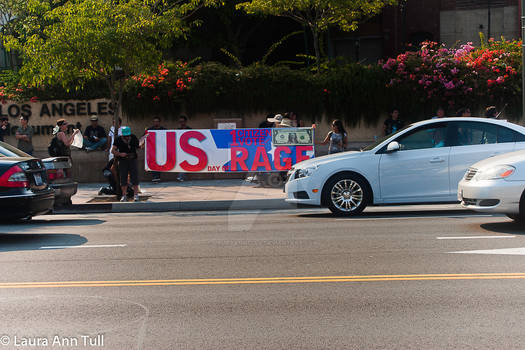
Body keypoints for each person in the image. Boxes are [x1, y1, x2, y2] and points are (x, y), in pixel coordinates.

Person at [112, 126, 141, 202]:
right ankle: (124, 195)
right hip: (122, 161)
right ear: (122, 135)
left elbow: (138, 147)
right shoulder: (118, 139)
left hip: (132, 159)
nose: (127, 137)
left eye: (128, 136)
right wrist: (120, 154)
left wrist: (142, 143)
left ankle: (136, 195)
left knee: (134, 177)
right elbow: (113, 150)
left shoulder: (133, 137)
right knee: (123, 178)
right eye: (125, 136)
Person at [145, 116, 166, 183]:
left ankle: (157, 177)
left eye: (157, 121)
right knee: (153, 163)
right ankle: (155, 177)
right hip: (152, 149)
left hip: (161, 149)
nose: (155, 123)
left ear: (159, 122)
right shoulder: (150, 129)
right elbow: (145, 137)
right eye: (154, 121)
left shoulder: (163, 129)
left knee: (159, 163)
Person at [176, 115, 191, 181]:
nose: (181, 123)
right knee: (181, 163)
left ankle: (181, 176)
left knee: (186, 162)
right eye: (180, 122)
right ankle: (182, 176)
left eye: (182, 121)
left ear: (185, 122)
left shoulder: (190, 129)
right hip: (180, 149)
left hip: (188, 148)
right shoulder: (178, 130)